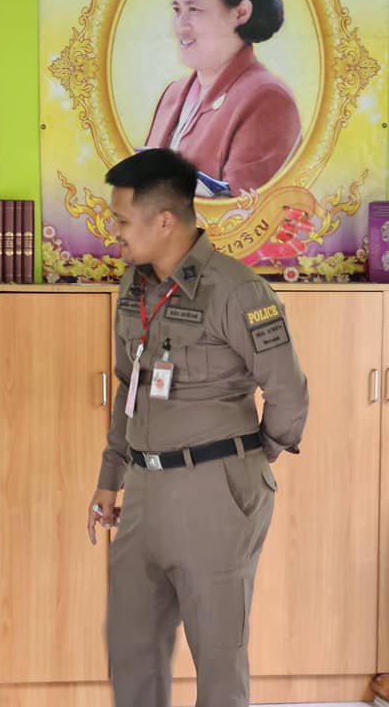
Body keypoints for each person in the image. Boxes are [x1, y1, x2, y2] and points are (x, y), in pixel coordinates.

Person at [87, 149, 308, 707]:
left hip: (215, 489)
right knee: (132, 645)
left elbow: (288, 393)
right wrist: (111, 477)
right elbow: (129, 388)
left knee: (217, 652)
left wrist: (250, 459)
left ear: (164, 221)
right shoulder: (134, 287)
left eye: (122, 220)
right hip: (144, 489)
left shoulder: (236, 291)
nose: (114, 232)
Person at [145, 0, 300, 196]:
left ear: (241, 13)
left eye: (194, 9)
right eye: (177, 10)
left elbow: (246, 212)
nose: (181, 26)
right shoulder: (173, 94)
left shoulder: (268, 100)